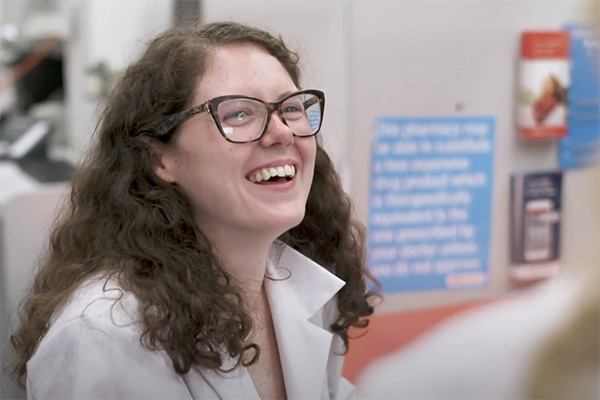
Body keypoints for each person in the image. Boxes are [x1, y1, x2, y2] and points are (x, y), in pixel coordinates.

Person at [9, 21, 377, 399]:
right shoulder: (102, 336)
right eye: (238, 114)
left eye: (291, 108)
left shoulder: (302, 286)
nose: (282, 131)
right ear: (160, 158)